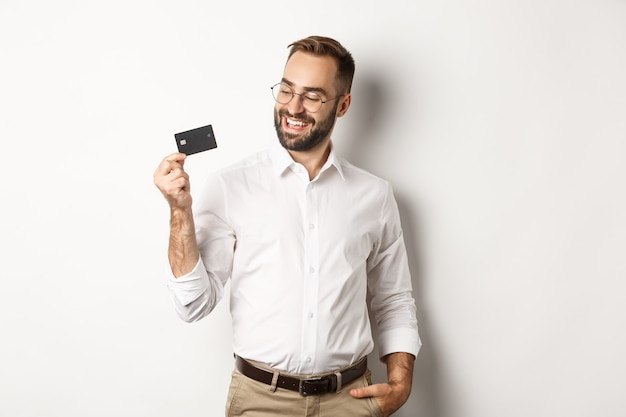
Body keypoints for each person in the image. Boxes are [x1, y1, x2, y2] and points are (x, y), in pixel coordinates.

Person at [154, 35, 421, 417]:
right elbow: (192, 304)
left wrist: (401, 382)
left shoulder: (375, 196)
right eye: (286, 90)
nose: (293, 107)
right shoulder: (231, 186)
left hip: (351, 401)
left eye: (313, 96)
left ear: (343, 105)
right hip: (261, 402)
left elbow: (393, 299)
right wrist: (179, 212)